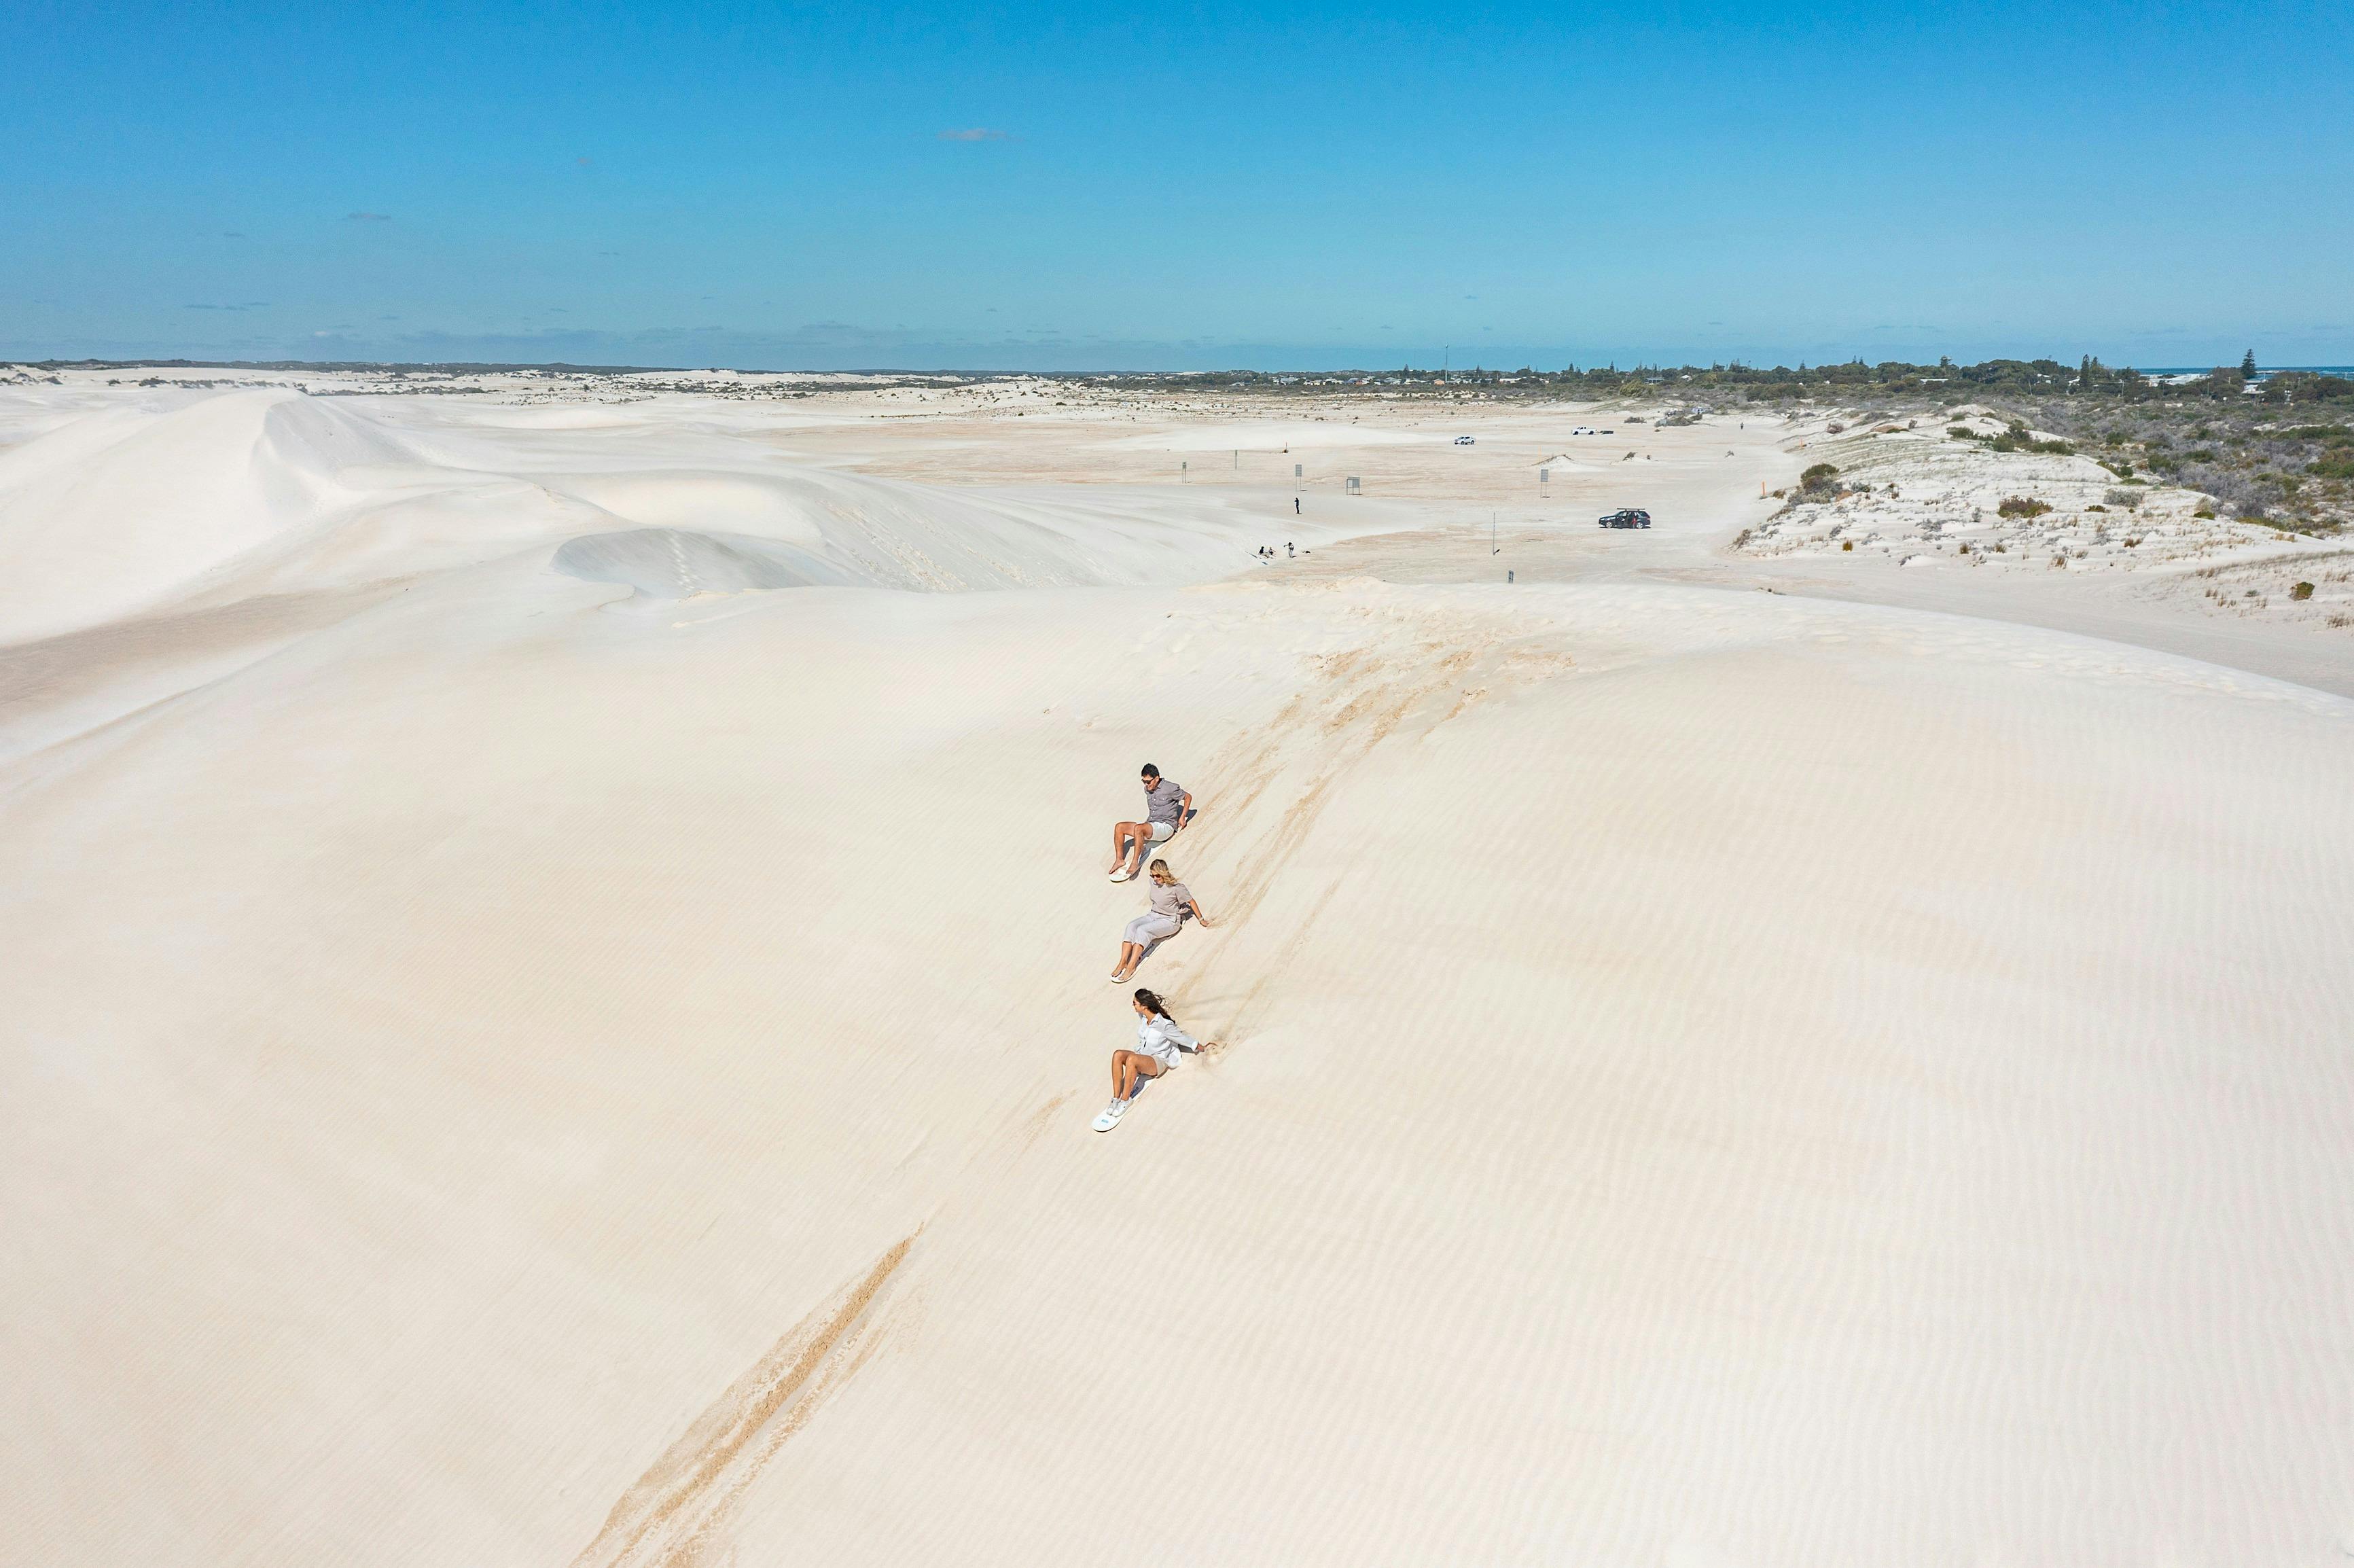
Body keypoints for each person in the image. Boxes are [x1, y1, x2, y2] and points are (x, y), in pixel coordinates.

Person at [1092, 988, 1201, 1130]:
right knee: (1118, 1054)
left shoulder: (1164, 1025)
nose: (1133, 1006)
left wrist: (1200, 1047)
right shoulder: (1144, 1018)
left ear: (1144, 1006)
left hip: (1158, 1061)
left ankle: (1125, 1101)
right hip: (1142, 1056)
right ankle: (1116, 1098)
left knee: (1131, 1060)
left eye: (1135, 1003)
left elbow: (1182, 1038)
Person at [1111, 859, 1213, 980]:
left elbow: (1191, 901)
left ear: (1163, 873)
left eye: (1157, 875)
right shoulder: (1153, 882)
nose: (1155, 878)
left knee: (1142, 931)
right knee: (1132, 926)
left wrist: (1201, 919)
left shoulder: (1177, 888)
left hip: (1170, 920)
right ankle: (1123, 962)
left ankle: (1131, 966)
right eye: (1152, 875)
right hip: (1153, 915)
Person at [1109, 764, 1191, 883]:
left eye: (1148, 782)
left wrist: (1182, 817)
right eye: (1144, 782)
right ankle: (1119, 860)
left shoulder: (1170, 788)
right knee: (1120, 827)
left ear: (1157, 778)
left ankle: (1135, 862)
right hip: (1152, 824)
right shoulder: (1148, 790)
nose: (1146, 785)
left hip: (1166, 827)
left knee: (1139, 829)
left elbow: (1188, 797)